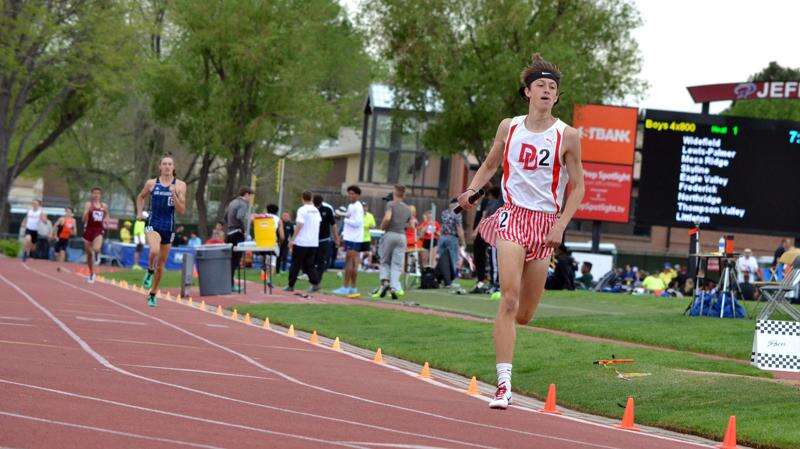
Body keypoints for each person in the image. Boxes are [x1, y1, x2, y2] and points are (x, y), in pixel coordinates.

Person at [457, 53, 585, 409]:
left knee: (525, 314)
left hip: (545, 226)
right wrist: (471, 190)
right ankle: (502, 385)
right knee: (508, 300)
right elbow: (490, 164)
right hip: (512, 218)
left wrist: (560, 225)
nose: (547, 90)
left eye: (553, 87)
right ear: (527, 92)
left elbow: (579, 187)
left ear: (557, 97)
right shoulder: (508, 127)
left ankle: (509, 352)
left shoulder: (568, 136)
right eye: (540, 85)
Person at [136, 155, 187, 307]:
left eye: (169, 164)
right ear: (160, 167)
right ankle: (149, 270)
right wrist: (139, 212)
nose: (166, 166)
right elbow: (141, 197)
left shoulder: (180, 185)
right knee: (154, 251)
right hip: (153, 223)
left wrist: (174, 195)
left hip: (168, 227)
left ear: (173, 167)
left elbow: (182, 210)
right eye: (164, 164)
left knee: (162, 264)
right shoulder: (152, 183)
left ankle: (152, 293)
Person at [372, 185, 412, 300]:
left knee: (385, 261)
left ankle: (385, 283)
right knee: (397, 265)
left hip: (390, 233)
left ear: (394, 193)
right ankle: (394, 288)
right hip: (402, 236)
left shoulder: (390, 204)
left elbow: (387, 218)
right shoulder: (408, 208)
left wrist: (382, 227)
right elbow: (409, 224)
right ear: (404, 195)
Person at [286, 191, 321, 292]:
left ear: (302, 198)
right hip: (313, 242)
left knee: (295, 264)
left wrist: (292, 239)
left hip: (302, 242)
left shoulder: (302, 209)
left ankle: (291, 285)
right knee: (309, 264)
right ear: (311, 198)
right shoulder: (316, 210)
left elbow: (299, 225)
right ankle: (315, 283)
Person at [334, 185, 364, 297]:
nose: (350, 195)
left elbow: (357, 223)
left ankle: (346, 287)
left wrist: (344, 218)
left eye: (353, 193)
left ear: (358, 195)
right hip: (351, 237)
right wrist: (344, 215)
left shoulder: (357, 206)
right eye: (349, 193)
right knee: (352, 262)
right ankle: (353, 287)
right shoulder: (352, 206)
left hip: (354, 239)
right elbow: (350, 217)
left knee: (350, 262)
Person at [224, 187, 254, 291]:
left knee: (230, 260)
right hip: (237, 234)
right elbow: (239, 216)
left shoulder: (233, 202)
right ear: (246, 194)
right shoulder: (243, 203)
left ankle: (228, 283)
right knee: (235, 260)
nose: (250, 198)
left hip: (229, 233)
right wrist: (243, 230)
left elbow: (225, 217)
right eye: (250, 195)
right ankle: (231, 285)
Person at [82, 188, 110, 282]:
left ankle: (97, 254)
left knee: (96, 248)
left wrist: (106, 220)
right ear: (92, 194)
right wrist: (88, 212)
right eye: (94, 193)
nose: (96, 195)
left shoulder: (104, 205)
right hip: (88, 229)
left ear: (100, 195)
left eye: (98, 193)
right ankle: (91, 273)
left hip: (98, 229)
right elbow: (84, 219)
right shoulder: (88, 204)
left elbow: (107, 215)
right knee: (89, 254)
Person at [313, 194, 339, 280]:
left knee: (321, 260)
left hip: (324, 239)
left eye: (318, 204)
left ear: (321, 203)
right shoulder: (310, 210)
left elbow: (333, 224)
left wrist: (336, 238)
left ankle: (317, 280)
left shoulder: (327, 210)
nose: (317, 206)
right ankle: (310, 275)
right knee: (310, 259)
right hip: (312, 239)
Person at [437, 206, 465, 287]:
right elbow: (459, 228)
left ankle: (441, 279)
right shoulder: (457, 213)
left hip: (442, 237)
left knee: (441, 259)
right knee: (453, 259)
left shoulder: (444, 212)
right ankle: (451, 280)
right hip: (452, 238)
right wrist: (463, 242)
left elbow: (442, 225)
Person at [361, 202, 376, 270]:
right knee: (358, 253)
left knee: (367, 253)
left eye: (365, 207)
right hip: (358, 238)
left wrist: (370, 226)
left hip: (366, 238)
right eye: (363, 207)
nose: (364, 208)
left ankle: (366, 266)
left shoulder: (370, 216)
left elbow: (373, 226)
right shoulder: (358, 215)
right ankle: (360, 265)